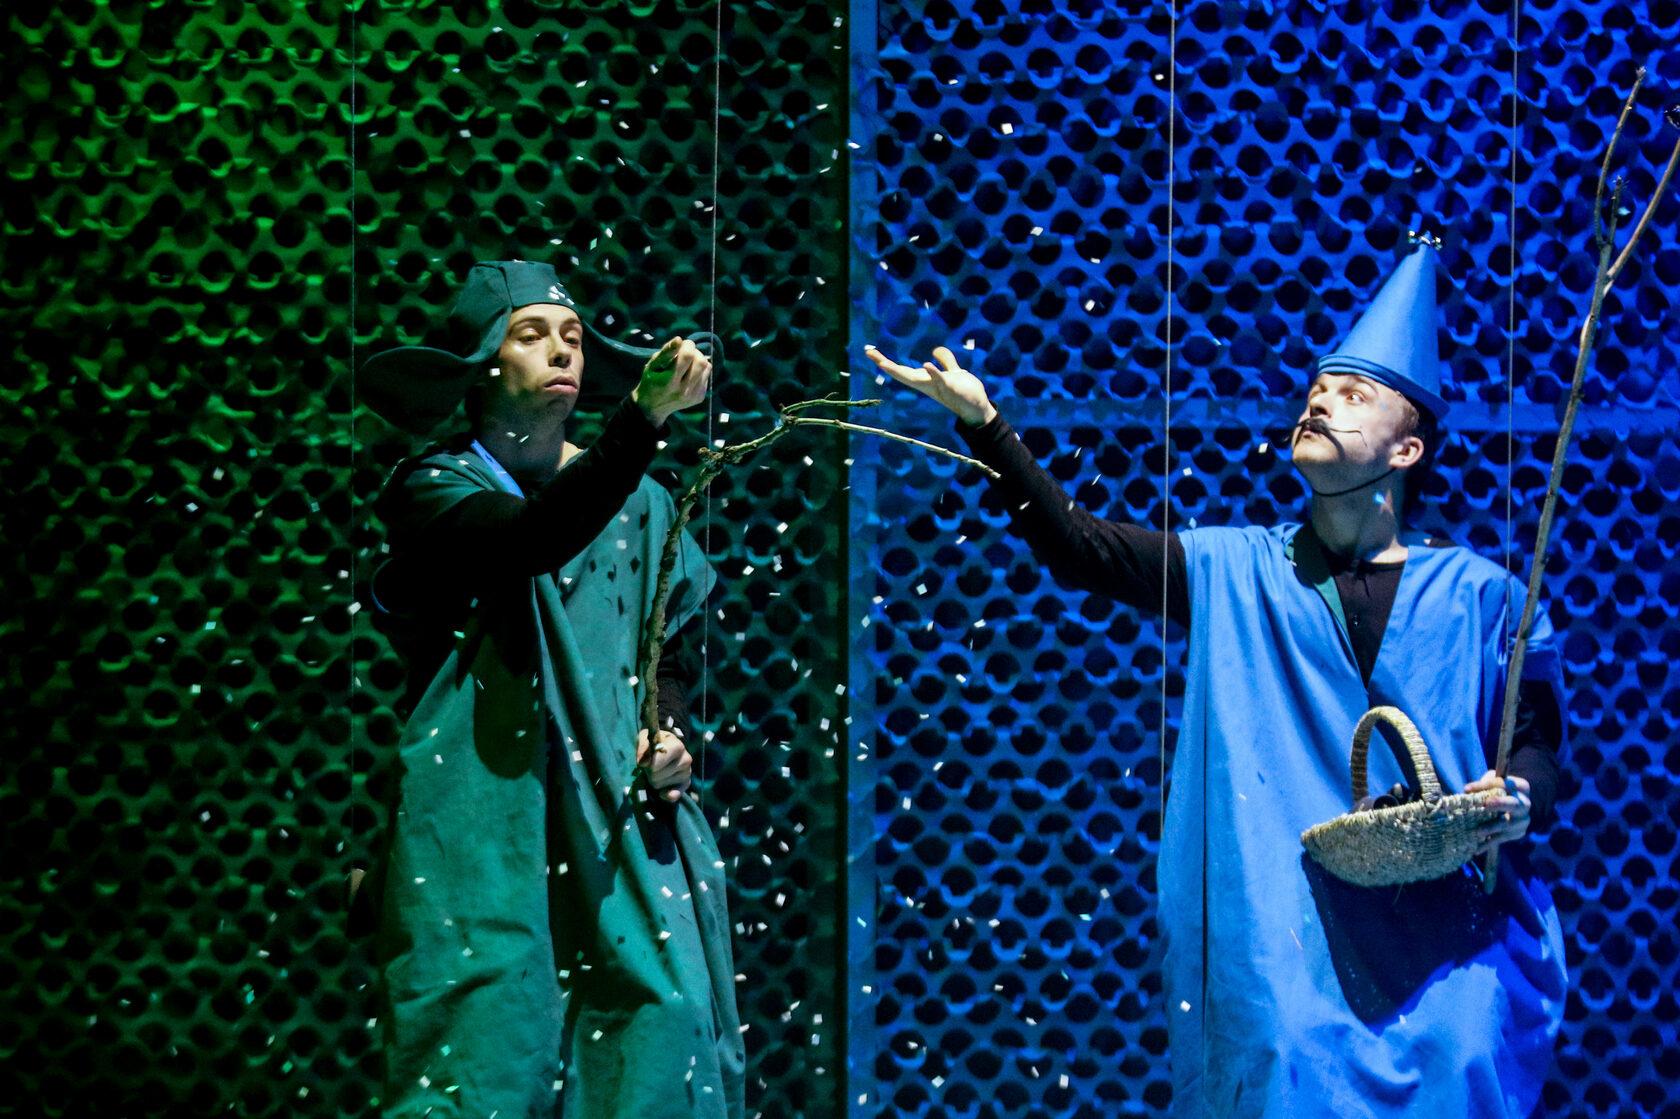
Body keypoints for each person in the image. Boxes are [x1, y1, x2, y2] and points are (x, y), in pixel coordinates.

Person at [864, 244, 1569, 1118]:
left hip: (1446, 927)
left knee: (1459, 1057)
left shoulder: (1482, 595)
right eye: (1317, 389)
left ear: (1408, 446)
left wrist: (1519, 796)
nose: (1319, 402)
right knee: (1284, 1055)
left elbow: (1535, 740)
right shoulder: (1236, 568)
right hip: (1296, 928)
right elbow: (1080, 549)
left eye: (1354, 395)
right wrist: (985, 425)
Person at [356, 260, 745, 1118]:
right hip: (484, 820)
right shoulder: (435, 489)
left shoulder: (643, 503)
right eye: (532, 335)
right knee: (483, 1049)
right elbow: (530, 538)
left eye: (572, 336)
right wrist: (641, 419)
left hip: (617, 820)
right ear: (483, 365)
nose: (562, 351)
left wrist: (671, 732)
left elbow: (666, 647)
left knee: (663, 1028)